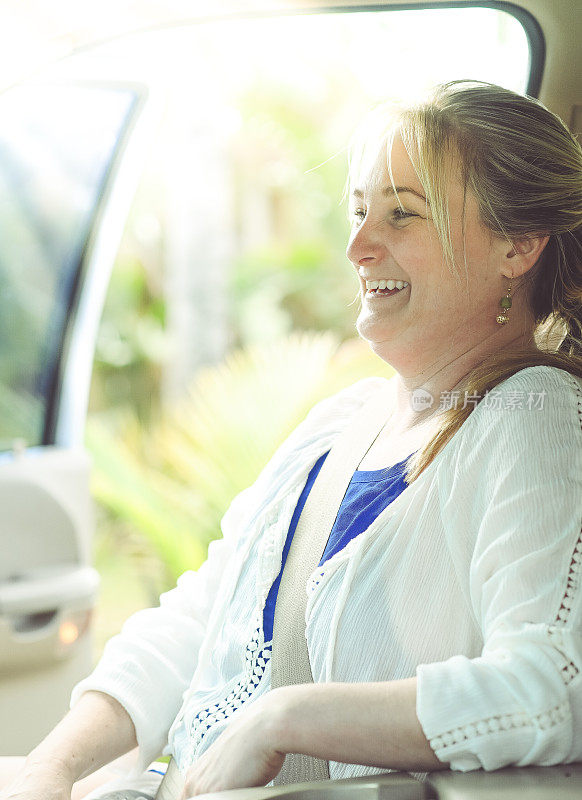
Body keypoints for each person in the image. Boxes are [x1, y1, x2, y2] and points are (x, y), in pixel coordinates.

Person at [2, 79, 582, 800]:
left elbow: (552, 686)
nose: (358, 245)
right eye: (360, 211)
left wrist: (284, 719)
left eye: (402, 215)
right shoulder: (341, 423)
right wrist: (49, 770)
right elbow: (198, 619)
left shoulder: (534, 419)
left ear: (519, 246)